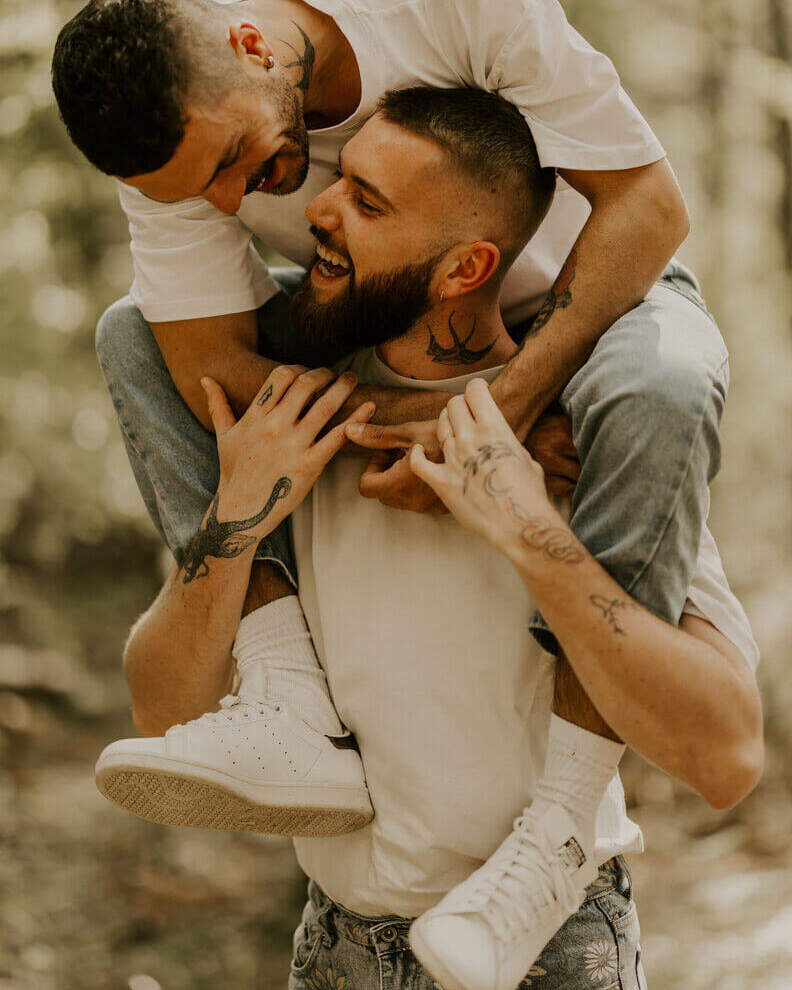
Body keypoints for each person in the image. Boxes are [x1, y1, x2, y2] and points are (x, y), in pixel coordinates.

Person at [93, 90, 762, 990]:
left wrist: (530, 532)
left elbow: (725, 755)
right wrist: (238, 511)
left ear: (465, 268)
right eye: (340, 183)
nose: (316, 212)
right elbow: (161, 709)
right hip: (333, 951)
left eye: (367, 204)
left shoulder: (587, 437)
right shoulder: (284, 422)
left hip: (553, 952)